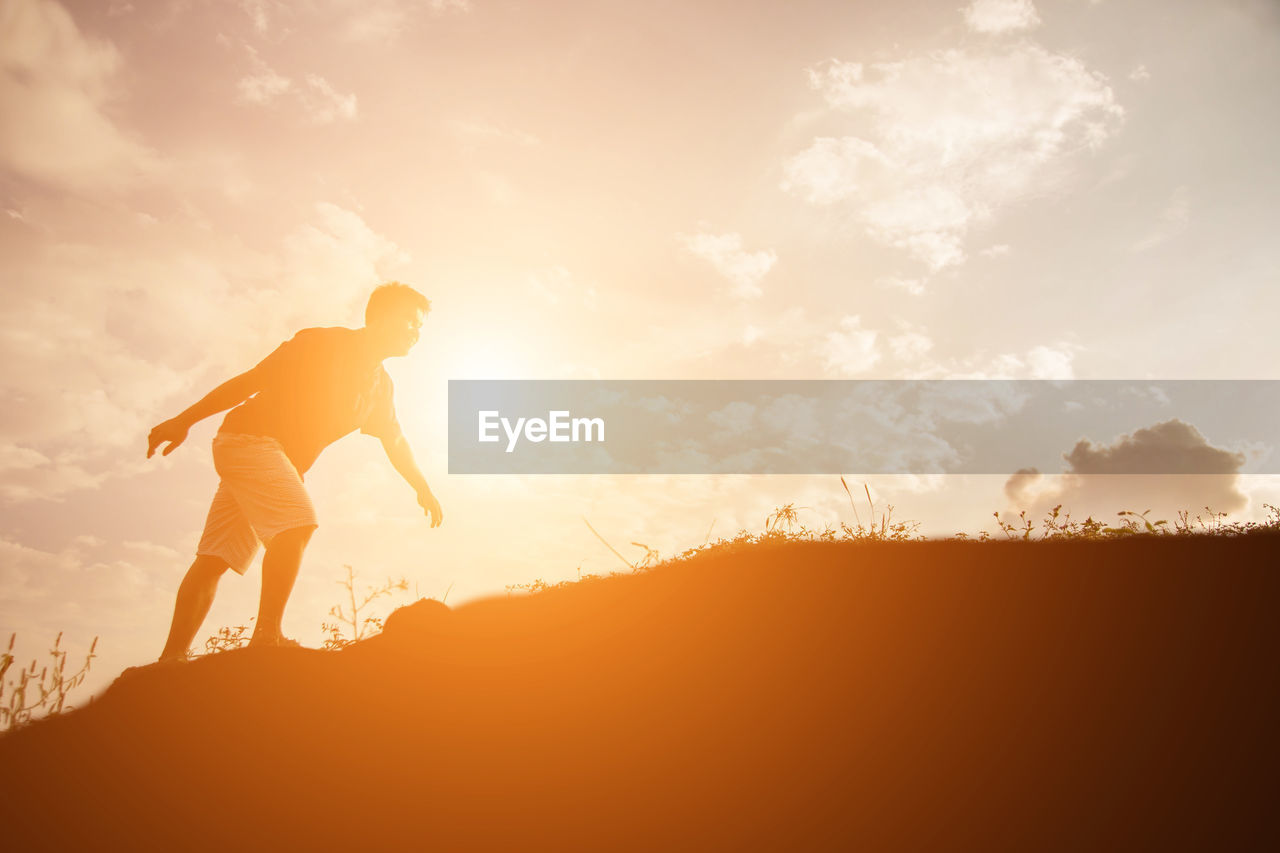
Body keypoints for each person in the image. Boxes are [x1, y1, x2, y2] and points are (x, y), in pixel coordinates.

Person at [145, 282, 443, 662]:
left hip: (271, 461)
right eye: (410, 323)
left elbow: (395, 440)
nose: (415, 334)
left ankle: (170, 659)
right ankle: (267, 635)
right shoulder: (321, 344)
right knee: (297, 524)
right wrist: (183, 420)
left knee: (215, 557)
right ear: (380, 317)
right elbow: (251, 381)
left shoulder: (380, 386)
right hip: (249, 441)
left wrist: (422, 487)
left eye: (420, 328)